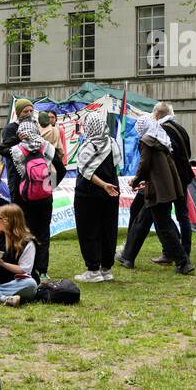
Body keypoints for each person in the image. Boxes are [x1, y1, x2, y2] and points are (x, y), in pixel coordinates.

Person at [128, 113, 193, 275]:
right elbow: (157, 167)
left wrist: (136, 181)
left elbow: (144, 165)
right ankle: (127, 256)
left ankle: (183, 262)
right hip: (164, 187)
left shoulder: (146, 141)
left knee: (163, 227)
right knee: (142, 221)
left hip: (157, 191)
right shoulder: (161, 139)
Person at [5, 119, 60, 279]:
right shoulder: (47, 147)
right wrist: (51, 187)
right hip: (45, 196)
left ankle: (28, 266)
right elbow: (59, 169)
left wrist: (17, 139)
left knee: (26, 232)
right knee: (43, 233)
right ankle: (42, 270)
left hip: (25, 197)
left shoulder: (16, 150)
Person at [73, 114, 123, 283]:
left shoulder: (89, 146)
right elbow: (116, 167)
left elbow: (87, 172)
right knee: (108, 230)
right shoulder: (113, 143)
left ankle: (93, 270)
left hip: (89, 194)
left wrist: (102, 185)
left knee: (88, 230)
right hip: (111, 193)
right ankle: (106, 269)